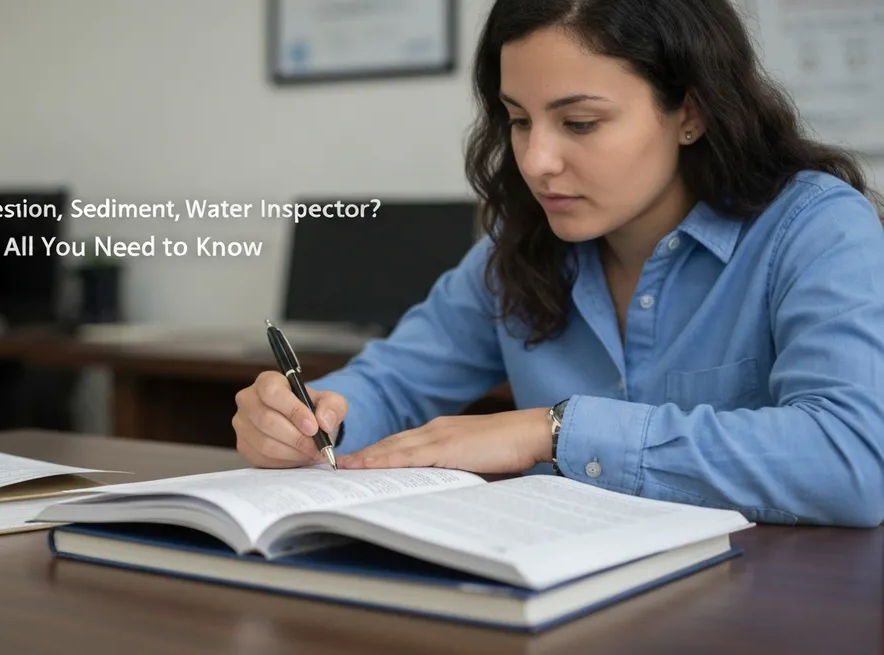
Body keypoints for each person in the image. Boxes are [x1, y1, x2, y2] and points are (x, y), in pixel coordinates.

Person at [232, 0, 884, 528]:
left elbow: (854, 460)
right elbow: (391, 385)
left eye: (578, 122)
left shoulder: (816, 229)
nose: (537, 161)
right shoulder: (515, 255)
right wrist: (307, 418)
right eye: (518, 120)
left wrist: (553, 431)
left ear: (690, 111)